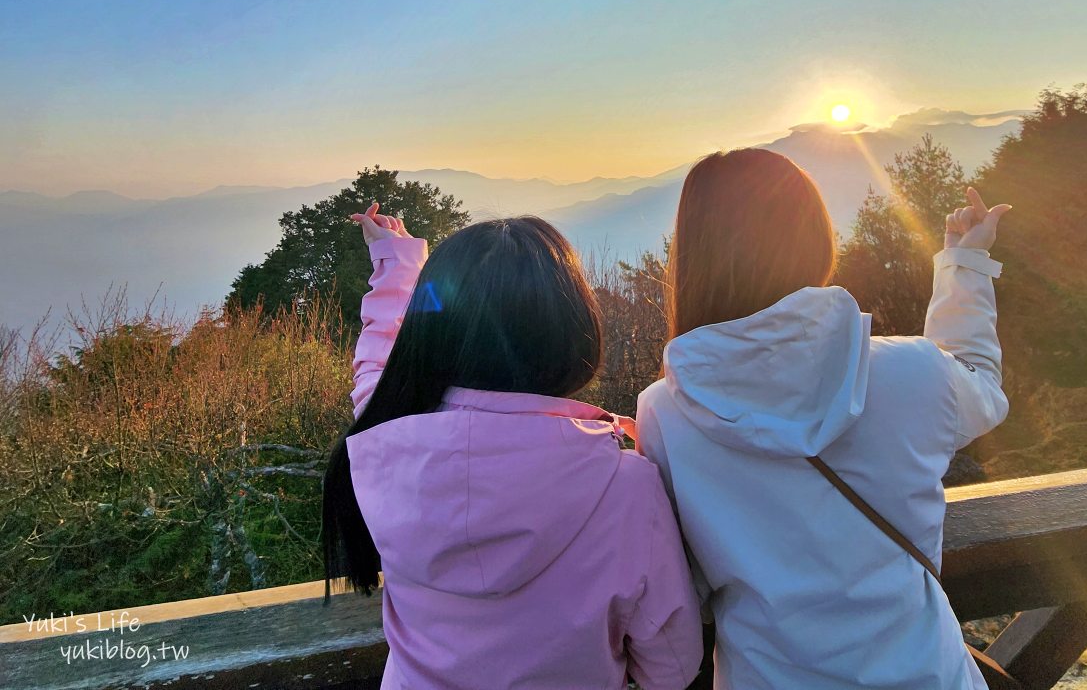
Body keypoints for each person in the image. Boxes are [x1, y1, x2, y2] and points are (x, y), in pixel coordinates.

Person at [635, 148, 1011, 690]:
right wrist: (964, 265)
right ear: (814, 237)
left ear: (693, 258)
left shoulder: (666, 413)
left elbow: (685, 582)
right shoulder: (911, 371)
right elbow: (980, 384)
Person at [322, 205, 702, 690]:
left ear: (429, 338)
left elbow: (377, 368)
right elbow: (671, 663)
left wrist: (395, 263)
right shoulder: (626, 488)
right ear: (570, 328)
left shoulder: (390, 444)